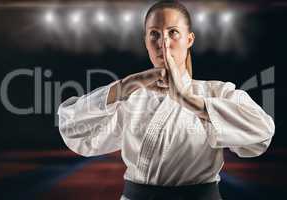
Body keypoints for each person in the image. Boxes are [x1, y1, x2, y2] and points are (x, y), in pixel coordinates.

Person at [57, 1, 275, 199]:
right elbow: (71, 127)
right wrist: (125, 86)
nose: (163, 43)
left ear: (189, 39)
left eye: (173, 33)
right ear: (145, 41)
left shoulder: (216, 92)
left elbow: (262, 132)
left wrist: (189, 100)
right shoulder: (130, 98)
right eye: (154, 34)